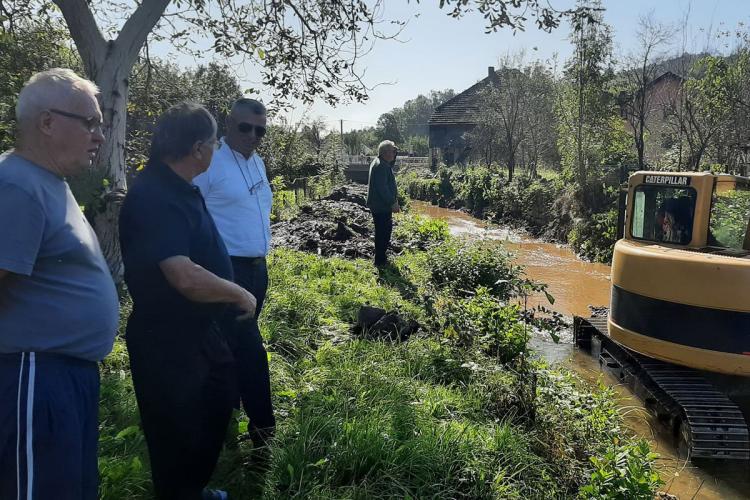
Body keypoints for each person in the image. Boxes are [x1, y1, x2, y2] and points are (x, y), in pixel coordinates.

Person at [119, 102, 257, 500]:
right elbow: (181, 274)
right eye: (214, 142)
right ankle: (181, 492)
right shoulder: (155, 194)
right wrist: (238, 292)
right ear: (198, 148)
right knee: (176, 434)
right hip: (168, 341)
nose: (216, 150)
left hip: (198, 333)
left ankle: (192, 489)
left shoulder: (178, 187)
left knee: (211, 413)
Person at [0, 68, 119, 499]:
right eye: (89, 122)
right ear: (47, 123)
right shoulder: (16, 185)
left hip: (62, 378)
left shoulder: (49, 183)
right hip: (33, 378)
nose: (99, 136)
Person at [192, 98, 276, 453]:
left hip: (257, 269)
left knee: (229, 349)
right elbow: (190, 213)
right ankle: (263, 435)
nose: (253, 136)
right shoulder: (211, 163)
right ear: (228, 126)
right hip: (226, 270)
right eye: (245, 127)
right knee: (251, 353)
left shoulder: (256, 162)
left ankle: (221, 416)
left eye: (260, 130)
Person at [366, 140, 400, 266]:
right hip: (381, 206)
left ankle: (381, 258)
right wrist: (393, 203)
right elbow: (383, 188)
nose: (394, 153)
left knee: (382, 231)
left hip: (379, 205)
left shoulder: (380, 162)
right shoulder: (381, 166)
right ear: (385, 152)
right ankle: (380, 261)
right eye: (393, 151)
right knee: (383, 232)